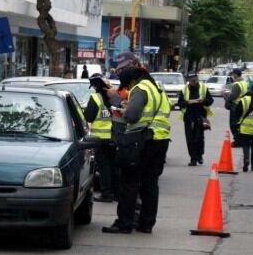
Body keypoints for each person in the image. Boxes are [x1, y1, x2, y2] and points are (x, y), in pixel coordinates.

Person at [102, 65, 171, 234]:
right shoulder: (156, 88)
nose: (128, 88)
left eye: (127, 85)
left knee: (129, 182)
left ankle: (124, 223)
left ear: (132, 80)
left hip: (142, 140)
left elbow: (132, 116)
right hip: (160, 139)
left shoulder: (140, 88)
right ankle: (146, 224)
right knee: (150, 183)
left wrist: (119, 104)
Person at [84, 73, 121, 202]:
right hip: (114, 137)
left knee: (104, 167)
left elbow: (88, 117)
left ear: (95, 86)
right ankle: (117, 193)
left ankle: (107, 194)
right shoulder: (112, 97)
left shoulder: (95, 98)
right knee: (113, 165)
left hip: (100, 138)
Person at [178, 71, 214, 166]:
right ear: (188, 80)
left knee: (199, 138)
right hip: (188, 117)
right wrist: (187, 102)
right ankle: (193, 158)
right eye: (191, 79)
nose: (193, 81)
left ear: (197, 79)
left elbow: (210, 101)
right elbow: (180, 103)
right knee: (190, 139)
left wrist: (203, 101)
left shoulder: (203, 88)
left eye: (194, 79)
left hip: (200, 117)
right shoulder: (184, 90)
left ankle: (199, 155)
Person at [224, 68, 249, 147]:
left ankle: (237, 141)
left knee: (234, 125)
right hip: (243, 105)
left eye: (233, 74)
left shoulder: (237, 84)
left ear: (235, 74)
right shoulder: (244, 82)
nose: (232, 75)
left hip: (236, 106)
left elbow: (233, 96)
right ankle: (241, 140)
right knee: (239, 124)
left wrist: (225, 95)